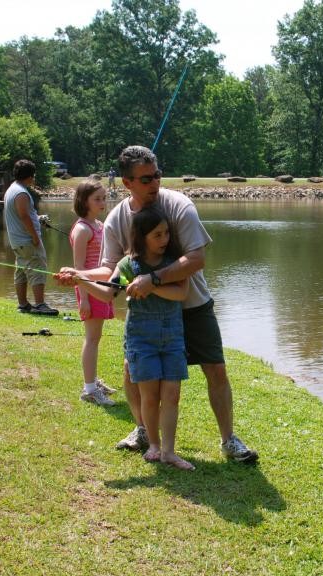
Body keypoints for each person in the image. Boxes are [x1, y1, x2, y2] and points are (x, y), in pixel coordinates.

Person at [56, 145, 258, 463]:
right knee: (132, 371)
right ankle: (143, 432)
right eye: (146, 178)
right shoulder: (116, 219)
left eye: (157, 175)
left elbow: (196, 259)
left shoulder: (180, 206)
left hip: (191, 304)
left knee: (215, 369)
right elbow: (110, 271)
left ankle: (229, 439)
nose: (155, 183)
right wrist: (79, 274)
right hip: (147, 314)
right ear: (127, 183)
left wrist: (155, 280)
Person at [80, 206, 194, 470]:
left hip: (172, 338)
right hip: (141, 340)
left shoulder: (175, 261)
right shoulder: (127, 264)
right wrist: (80, 280)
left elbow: (181, 293)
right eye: (157, 235)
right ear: (141, 237)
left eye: (166, 233)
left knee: (172, 396)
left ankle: (169, 451)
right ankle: (154, 445)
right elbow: (109, 293)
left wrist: (149, 284)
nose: (165, 239)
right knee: (150, 397)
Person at [69, 176, 117, 406]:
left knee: (96, 337)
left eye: (104, 198)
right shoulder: (82, 229)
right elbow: (78, 268)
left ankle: (93, 380)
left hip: (101, 287)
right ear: (84, 201)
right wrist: (84, 300)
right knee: (91, 338)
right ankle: (89, 389)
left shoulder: (98, 225)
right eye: (97, 199)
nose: (102, 202)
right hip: (89, 290)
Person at [3, 159, 59, 316]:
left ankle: (23, 304)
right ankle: (40, 305)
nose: (34, 178)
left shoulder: (12, 189)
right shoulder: (21, 193)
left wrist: (38, 219)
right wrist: (35, 236)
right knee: (37, 269)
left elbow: (25, 214)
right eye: (33, 175)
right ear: (29, 176)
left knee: (21, 270)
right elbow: (23, 216)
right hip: (26, 241)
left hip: (17, 241)